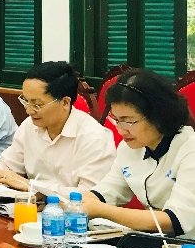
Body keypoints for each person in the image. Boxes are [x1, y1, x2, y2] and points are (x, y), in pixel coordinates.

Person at [0, 61, 116, 197]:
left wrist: (32, 186)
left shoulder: (94, 138)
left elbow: (89, 196)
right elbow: (9, 166)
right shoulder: (30, 125)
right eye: (26, 101)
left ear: (65, 102)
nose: (29, 110)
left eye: (37, 104)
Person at [82, 69, 195, 237]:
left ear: (158, 116)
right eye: (116, 120)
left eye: (128, 121)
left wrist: (102, 210)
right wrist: (75, 203)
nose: (120, 130)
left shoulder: (189, 149)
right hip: (155, 242)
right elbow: (106, 191)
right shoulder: (130, 147)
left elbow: (173, 220)